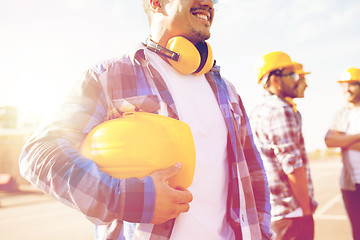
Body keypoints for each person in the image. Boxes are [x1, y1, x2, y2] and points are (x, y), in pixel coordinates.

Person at [19, 0, 273, 239]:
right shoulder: (111, 76)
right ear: (156, 2)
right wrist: (125, 198)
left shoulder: (227, 91)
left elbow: (253, 174)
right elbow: (40, 153)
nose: (209, 2)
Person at [250, 51, 317, 240]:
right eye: (292, 75)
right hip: (292, 214)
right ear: (275, 79)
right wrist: (305, 210)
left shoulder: (260, 109)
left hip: (276, 212)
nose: (298, 80)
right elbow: (292, 165)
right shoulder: (280, 110)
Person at [324, 67, 360, 240]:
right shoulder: (341, 114)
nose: (346, 89)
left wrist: (344, 140)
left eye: (352, 85)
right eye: (343, 86)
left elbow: (337, 140)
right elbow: (329, 141)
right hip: (350, 184)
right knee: (357, 230)